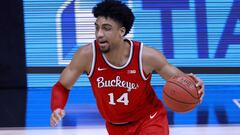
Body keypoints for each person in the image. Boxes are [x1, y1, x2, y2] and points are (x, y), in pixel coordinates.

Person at [50, 0, 204, 134]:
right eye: (97, 28)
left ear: (121, 31)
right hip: (115, 126)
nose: (99, 34)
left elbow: (179, 79)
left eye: (106, 28)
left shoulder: (146, 56)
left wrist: (194, 85)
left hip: (150, 119)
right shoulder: (87, 55)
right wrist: (57, 107)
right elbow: (62, 86)